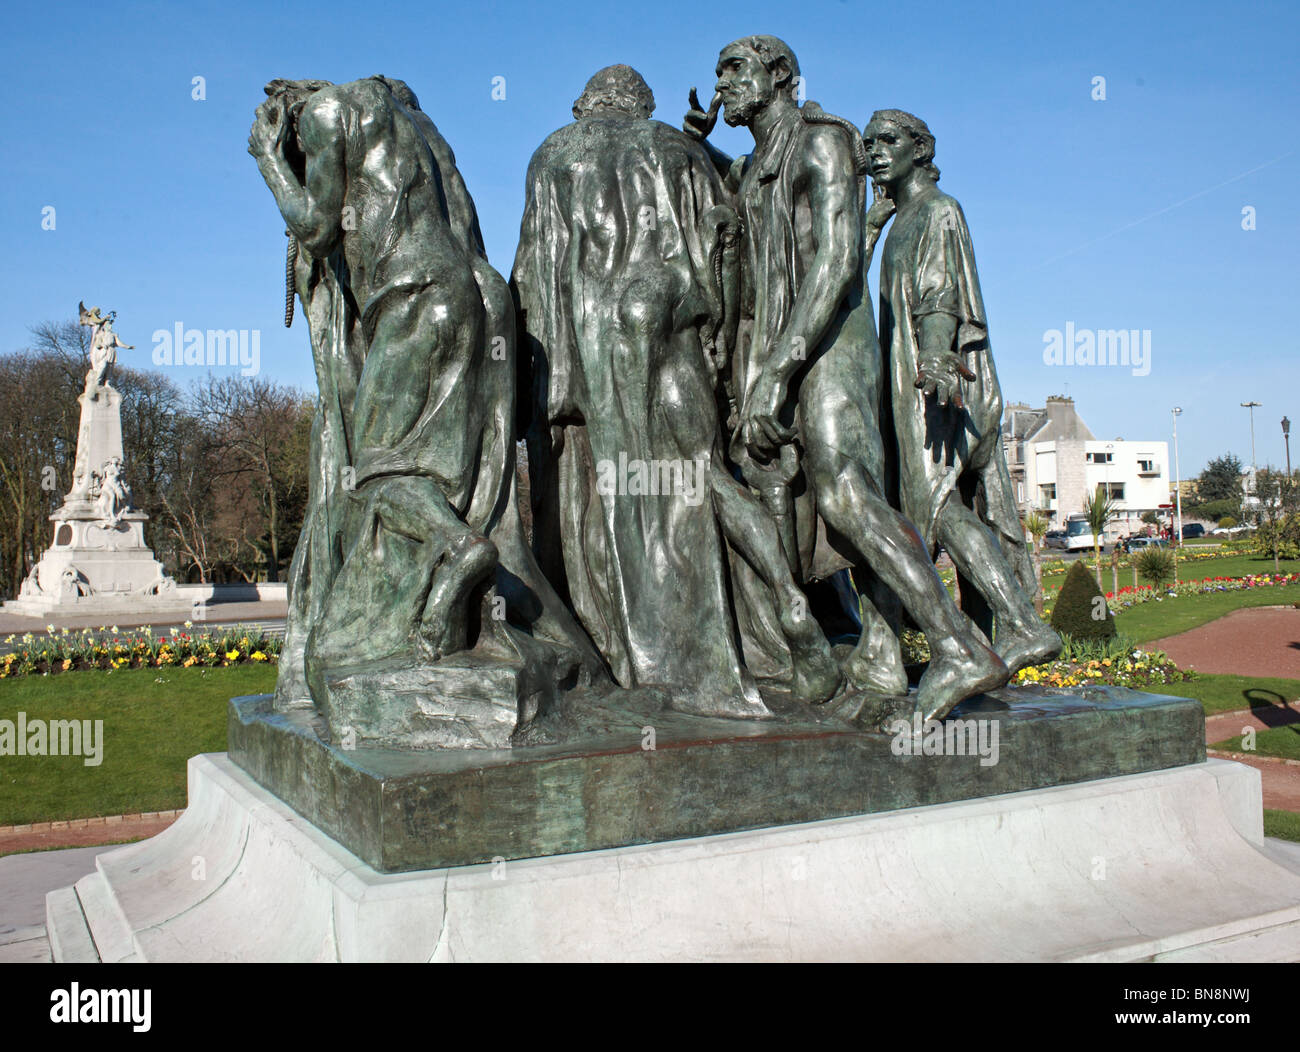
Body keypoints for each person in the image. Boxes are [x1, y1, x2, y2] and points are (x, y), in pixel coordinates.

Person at [249, 75, 603, 717]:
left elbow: (318, 226)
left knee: (375, 472)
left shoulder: (328, 112)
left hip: (411, 300)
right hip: (473, 298)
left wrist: (269, 159)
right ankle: (478, 593)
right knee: (447, 476)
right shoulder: (420, 132)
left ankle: (458, 546)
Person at [683, 36, 1008, 724]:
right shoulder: (755, 164)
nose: (721, 85)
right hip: (780, 354)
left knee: (846, 497)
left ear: (780, 76)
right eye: (718, 73)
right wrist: (696, 143)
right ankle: (857, 656)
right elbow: (737, 193)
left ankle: (957, 646)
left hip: (830, 347)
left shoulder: (825, 145)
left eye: (734, 70)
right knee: (791, 501)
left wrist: (778, 372)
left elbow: (834, 265)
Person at [513, 65, 840, 718]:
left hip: (608, 332)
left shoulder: (557, 153)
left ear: (585, 105)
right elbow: (730, 247)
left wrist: (548, 390)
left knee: (630, 498)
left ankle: (653, 659)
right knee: (708, 478)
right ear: (644, 106)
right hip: (681, 324)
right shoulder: (682, 151)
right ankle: (788, 601)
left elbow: (540, 270)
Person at [862, 109, 1059, 674]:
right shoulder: (899, 217)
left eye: (889, 140)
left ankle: (1024, 625)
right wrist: (872, 226)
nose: (876, 150)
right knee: (922, 509)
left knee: (939, 508)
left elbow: (940, 293)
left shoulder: (938, 211)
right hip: (911, 381)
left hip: (937, 383)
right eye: (869, 142)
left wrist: (936, 357)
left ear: (920, 149)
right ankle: (986, 636)